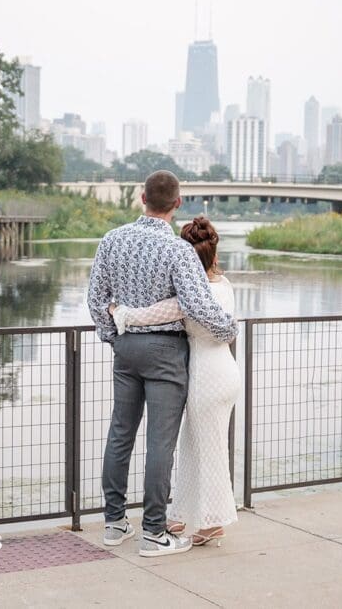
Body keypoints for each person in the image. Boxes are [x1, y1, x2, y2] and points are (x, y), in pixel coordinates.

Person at [87, 171, 237, 558]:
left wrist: (113, 335)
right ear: (177, 203)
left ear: (141, 197)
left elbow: (94, 298)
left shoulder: (111, 240)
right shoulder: (179, 251)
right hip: (166, 352)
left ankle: (114, 522)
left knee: (120, 433)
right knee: (160, 442)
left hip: (126, 350)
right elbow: (198, 304)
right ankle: (154, 532)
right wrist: (228, 328)